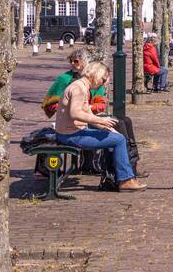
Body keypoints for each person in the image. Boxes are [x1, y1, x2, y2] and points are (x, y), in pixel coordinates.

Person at [54, 61, 145, 191]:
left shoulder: (81, 86)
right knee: (119, 141)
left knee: (115, 136)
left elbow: (88, 114)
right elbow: (75, 113)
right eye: (103, 80)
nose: (103, 83)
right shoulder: (79, 89)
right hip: (71, 135)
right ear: (95, 74)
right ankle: (125, 180)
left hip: (70, 132)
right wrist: (101, 121)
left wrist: (105, 127)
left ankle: (116, 177)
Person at [42, 48, 106, 118]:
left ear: (86, 62)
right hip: (68, 119)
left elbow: (101, 105)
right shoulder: (64, 79)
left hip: (90, 117)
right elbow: (50, 104)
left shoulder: (95, 80)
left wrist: (87, 108)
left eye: (76, 61)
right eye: (70, 61)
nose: (72, 63)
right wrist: (66, 108)